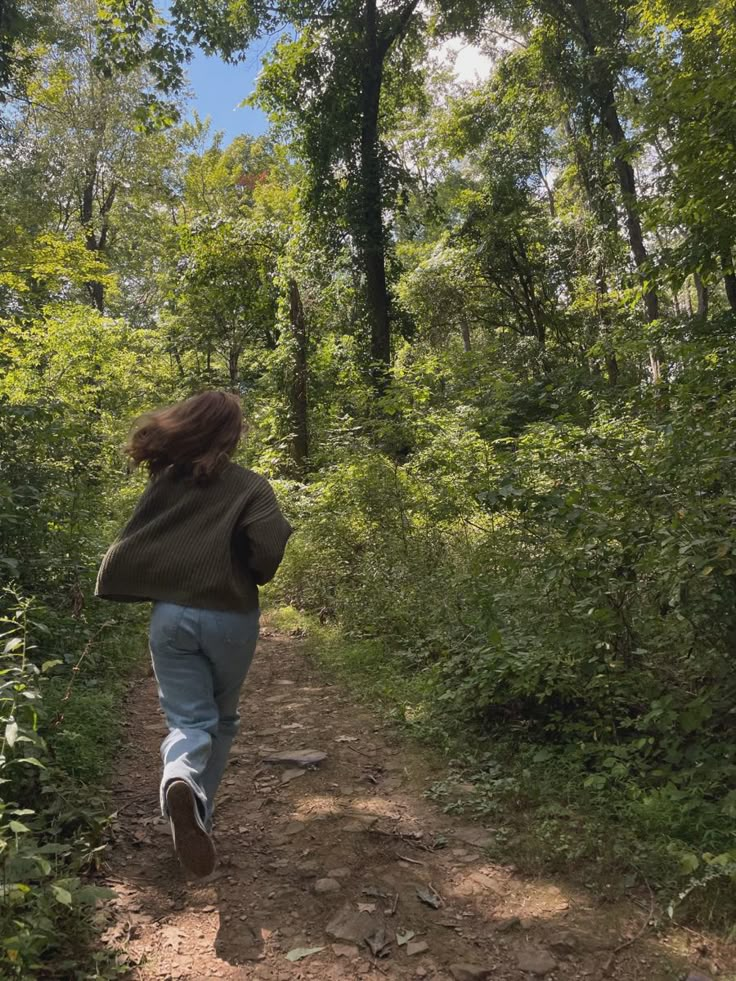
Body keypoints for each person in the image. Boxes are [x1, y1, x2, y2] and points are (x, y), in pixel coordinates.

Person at [96, 391, 292, 877]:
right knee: (222, 720)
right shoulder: (251, 486)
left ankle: (180, 775)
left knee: (188, 720)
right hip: (229, 617)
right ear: (231, 433)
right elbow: (267, 550)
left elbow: (148, 535)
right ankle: (199, 810)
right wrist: (248, 568)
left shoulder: (165, 481)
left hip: (170, 617)